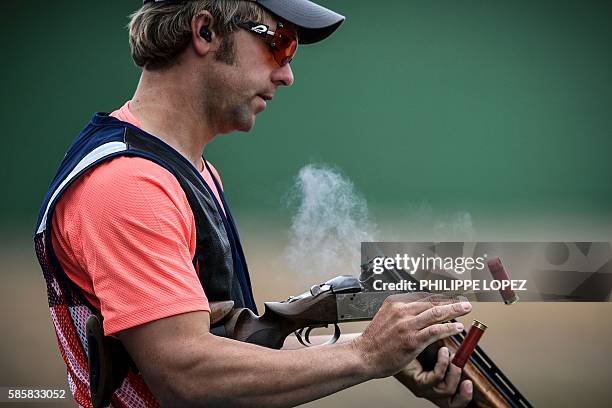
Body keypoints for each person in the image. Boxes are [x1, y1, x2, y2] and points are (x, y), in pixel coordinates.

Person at [34, 1, 473, 406]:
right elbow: (187, 373)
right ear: (205, 31)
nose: (287, 74)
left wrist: (385, 354)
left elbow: (225, 347)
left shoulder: (183, 169)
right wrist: (365, 354)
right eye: (279, 42)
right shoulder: (129, 184)